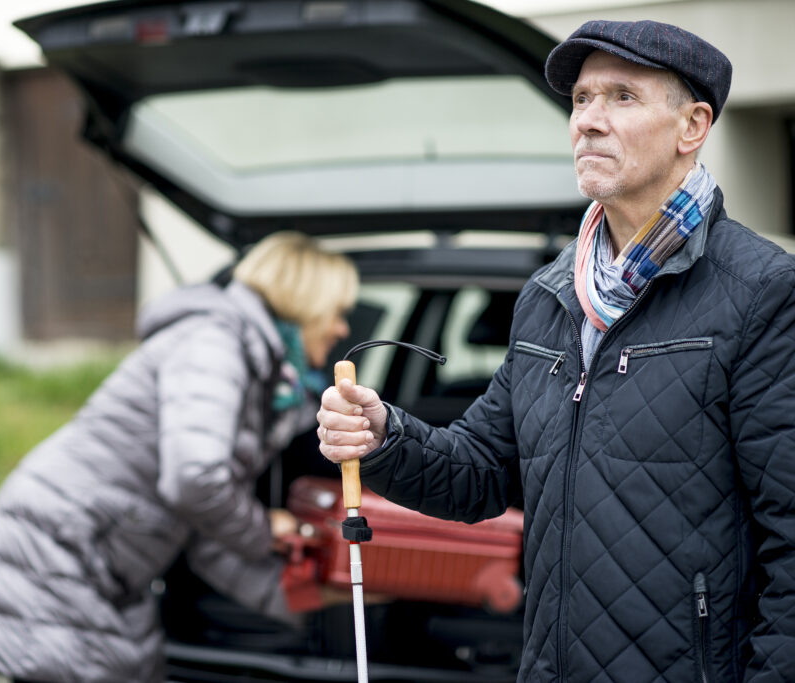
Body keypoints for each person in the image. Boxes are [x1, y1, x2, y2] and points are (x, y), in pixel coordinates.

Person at [316, 20, 794, 683]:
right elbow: (482, 469)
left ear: (693, 127)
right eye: (581, 99)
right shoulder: (549, 295)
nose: (589, 121)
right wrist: (383, 434)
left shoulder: (764, 291)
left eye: (622, 97)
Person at [0, 231, 358, 683]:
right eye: (338, 312)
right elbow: (195, 480)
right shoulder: (214, 344)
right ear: (304, 300)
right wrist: (261, 529)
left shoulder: (256, 367)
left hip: (97, 562)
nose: (343, 328)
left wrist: (310, 598)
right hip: (62, 551)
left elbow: (203, 526)